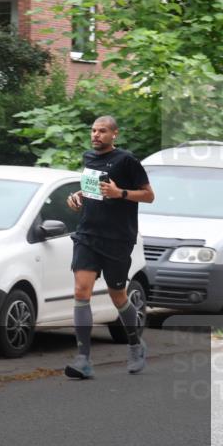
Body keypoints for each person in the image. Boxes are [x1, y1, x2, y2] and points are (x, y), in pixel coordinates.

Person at [65, 115, 154, 379]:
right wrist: (78, 197)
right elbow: (93, 191)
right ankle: (83, 359)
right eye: (93, 130)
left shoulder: (127, 161)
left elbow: (149, 195)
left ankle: (136, 345)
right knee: (81, 291)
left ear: (114, 134)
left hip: (117, 239)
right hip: (87, 235)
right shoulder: (88, 158)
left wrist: (121, 194)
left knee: (118, 296)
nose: (96, 135)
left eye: (102, 131)